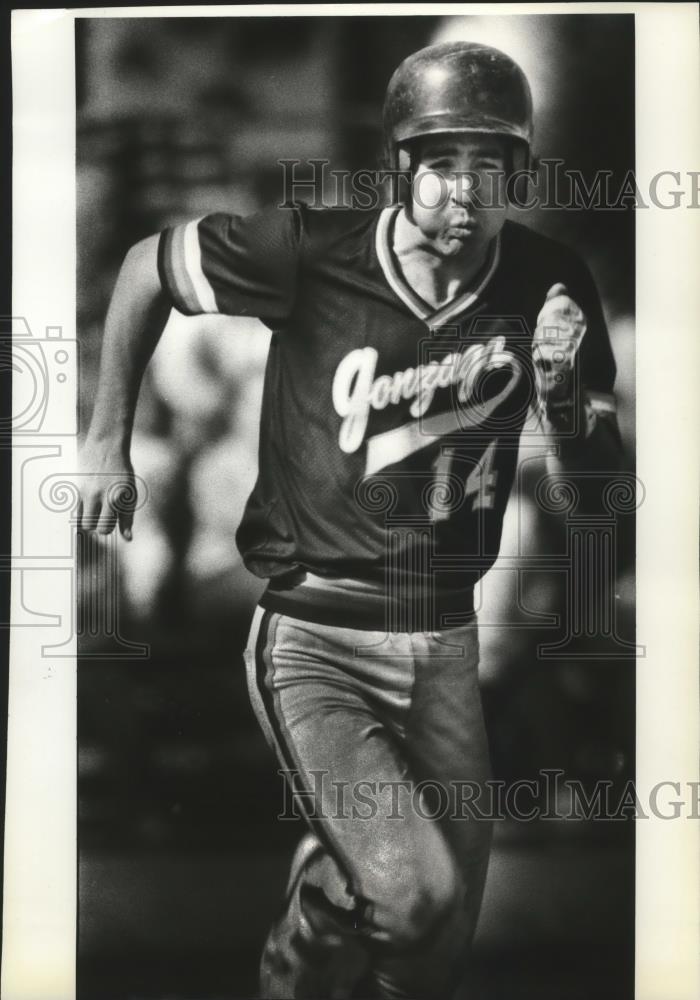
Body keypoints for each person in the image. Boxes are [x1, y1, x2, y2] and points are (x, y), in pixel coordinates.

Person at [79, 41, 623, 1000]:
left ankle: (335, 887)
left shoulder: (550, 283)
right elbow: (143, 268)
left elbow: (595, 504)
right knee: (414, 897)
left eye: (489, 167)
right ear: (399, 169)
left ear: (519, 176)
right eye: (441, 165)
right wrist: (107, 441)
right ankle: (309, 932)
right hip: (315, 639)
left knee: (433, 949)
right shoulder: (312, 251)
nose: (464, 193)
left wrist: (562, 396)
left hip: (448, 640)